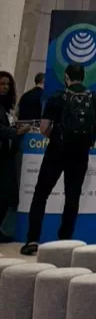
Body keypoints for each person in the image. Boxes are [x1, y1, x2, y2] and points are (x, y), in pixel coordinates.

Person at [20, 63, 96, 256]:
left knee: (41, 194)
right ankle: (65, 241)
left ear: (66, 77)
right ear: (83, 77)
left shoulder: (57, 97)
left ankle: (33, 239)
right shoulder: (95, 98)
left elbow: (43, 128)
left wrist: (57, 137)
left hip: (56, 151)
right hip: (80, 153)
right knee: (72, 196)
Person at [0, 71, 32, 242]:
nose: (5, 87)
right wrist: (17, 131)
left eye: (8, 84)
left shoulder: (7, 109)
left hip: (7, 157)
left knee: (9, 197)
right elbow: (3, 131)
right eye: (2, 84)